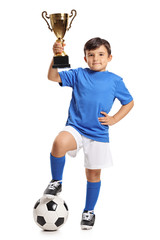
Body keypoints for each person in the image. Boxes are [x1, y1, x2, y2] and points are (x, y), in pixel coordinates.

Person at [43, 37, 134, 230]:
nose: (96, 59)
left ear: (109, 57)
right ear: (85, 58)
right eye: (91, 55)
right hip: (76, 127)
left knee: (93, 173)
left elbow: (129, 102)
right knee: (59, 142)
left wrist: (114, 119)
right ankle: (56, 181)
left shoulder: (115, 81)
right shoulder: (78, 75)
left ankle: (88, 211)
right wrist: (56, 55)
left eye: (101, 54)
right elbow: (52, 77)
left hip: (98, 133)